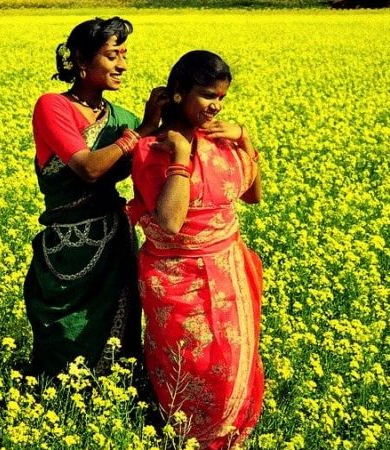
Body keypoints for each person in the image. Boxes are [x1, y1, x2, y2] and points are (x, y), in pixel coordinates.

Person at [127, 50, 264, 449]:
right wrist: (183, 157)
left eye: (221, 97)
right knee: (195, 365)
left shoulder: (221, 140)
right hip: (177, 277)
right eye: (207, 95)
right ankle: (191, 439)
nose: (215, 106)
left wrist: (245, 139)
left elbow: (252, 196)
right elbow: (170, 220)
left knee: (232, 360)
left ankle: (229, 437)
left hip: (229, 269)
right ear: (177, 94)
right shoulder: (153, 149)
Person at [24, 16, 167, 378]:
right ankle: (59, 407)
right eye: (111, 55)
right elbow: (87, 168)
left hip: (113, 242)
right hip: (68, 247)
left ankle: (114, 403)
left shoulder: (122, 117)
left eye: (124, 54)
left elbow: (161, 153)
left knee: (120, 338)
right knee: (64, 335)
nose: (122, 64)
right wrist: (141, 132)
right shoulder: (53, 107)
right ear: (82, 62)